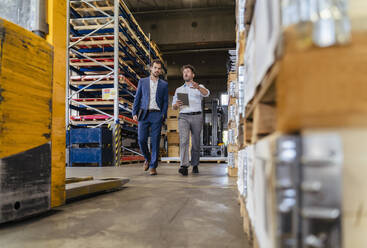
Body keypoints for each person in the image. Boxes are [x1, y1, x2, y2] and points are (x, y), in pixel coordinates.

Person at [172, 65, 210, 176]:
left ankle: (195, 164)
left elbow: (207, 93)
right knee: (183, 140)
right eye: (184, 72)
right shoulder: (179, 89)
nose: (186, 73)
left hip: (197, 116)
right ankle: (183, 166)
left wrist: (198, 87)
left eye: (188, 71)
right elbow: (174, 106)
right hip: (183, 116)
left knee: (196, 141)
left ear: (193, 75)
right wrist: (176, 105)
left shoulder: (199, 87)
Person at [132, 59, 168, 176]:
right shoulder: (142, 81)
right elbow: (137, 98)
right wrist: (134, 112)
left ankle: (153, 166)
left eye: (159, 68)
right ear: (151, 68)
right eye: (155, 68)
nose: (157, 70)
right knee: (141, 140)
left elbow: (165, 102)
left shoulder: (164, 84)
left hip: (157, 114)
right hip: (143, 114)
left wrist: (163, 115)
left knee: (155, 141)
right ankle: (147, 158)